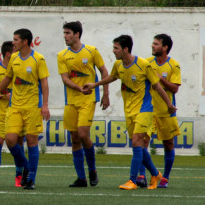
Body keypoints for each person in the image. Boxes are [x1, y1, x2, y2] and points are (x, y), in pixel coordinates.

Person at [83, 35, 177, 190]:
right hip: (129, 111)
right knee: (138, 146)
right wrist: (95, 84)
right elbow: (112, 77)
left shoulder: (143, 65)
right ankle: (155, 174)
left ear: (125, 49)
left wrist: (169, 105)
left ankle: (132, 180)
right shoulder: (118, 64)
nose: (113, 51)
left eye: (116, 48)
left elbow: (157, 86)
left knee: (136, 142)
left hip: (144, 110)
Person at [0, 28, 50, 190]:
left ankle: (31, 178)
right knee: (10, 140)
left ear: (25, 42)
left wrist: (45, 105)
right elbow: (7, 78)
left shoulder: (38, 59)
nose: (13, 42)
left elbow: (44, 83)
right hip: (15, 107)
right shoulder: (14, 57)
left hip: (32, 107)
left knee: (31, 142)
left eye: (16, 40)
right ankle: (27, 167)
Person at [57, 21, 110, 187]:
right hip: (71, 100)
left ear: (77, 34)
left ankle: (92, 169)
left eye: (68, 33)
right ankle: (81, 178)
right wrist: (79, 88)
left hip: (88, 99)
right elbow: (65, 79)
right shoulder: (62, 55)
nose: (65, 36)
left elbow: (104, 72)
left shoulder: (91, 51)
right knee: (74, 139)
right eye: (64, 33)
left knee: (82, 134)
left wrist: (106, 93)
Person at [136, 34, 181, 188]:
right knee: (142, 143)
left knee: (168, 144)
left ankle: (165, 178)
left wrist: (157, 78)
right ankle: (141, 175)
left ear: (165, 47)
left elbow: (174, 88)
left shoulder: (173, 65)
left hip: (166, 112)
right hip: (148, 111)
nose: (152, 46)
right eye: (152, 43)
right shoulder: (146, 63)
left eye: (156, 44)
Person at [0, 41, 29, 188]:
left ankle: (19, 175)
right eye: (15, 51)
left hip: (15, 112)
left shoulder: (18, 68)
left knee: (17, 145)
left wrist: (14, 94)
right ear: (9, 54)